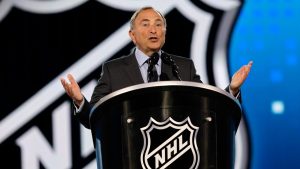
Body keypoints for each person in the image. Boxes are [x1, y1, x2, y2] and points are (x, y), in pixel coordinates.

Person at [60, 6, 252, 129]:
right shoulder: (114, 70)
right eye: (146, 24)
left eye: (158, 25)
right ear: (132, 35)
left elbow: (205, 110)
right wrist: (80, 102)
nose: (153, 30)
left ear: (164, 33)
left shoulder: (183, 67)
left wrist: (232, 89)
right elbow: (95, 118)